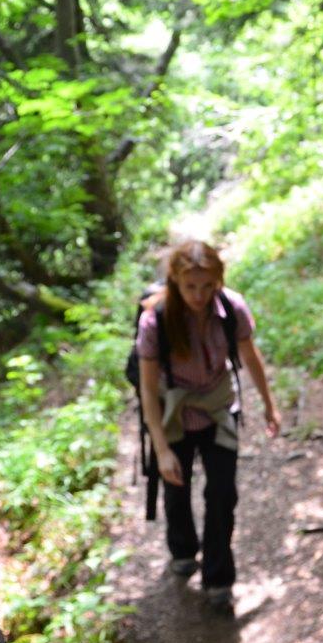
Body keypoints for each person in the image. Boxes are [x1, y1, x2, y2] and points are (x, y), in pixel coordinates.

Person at [135, 240, 281, 610]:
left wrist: (269, 405)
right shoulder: (155, 321)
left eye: (207, 286)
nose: (199, 296)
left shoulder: (232, 308)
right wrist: (161, 450)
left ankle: (218, 578)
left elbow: (250, 356)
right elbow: (148, 390)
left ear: (218, 280)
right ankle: (183, 550)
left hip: (219, 408)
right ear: (174, 281)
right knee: (176, 487)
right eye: (190, 287)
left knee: (222, 493)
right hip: (174, 413)